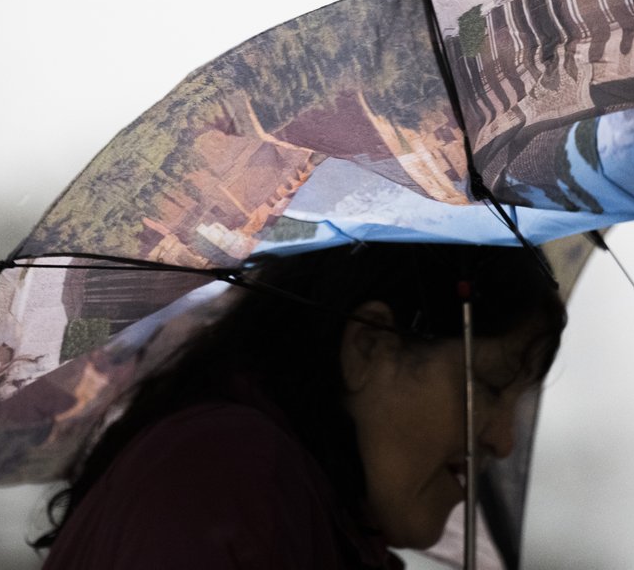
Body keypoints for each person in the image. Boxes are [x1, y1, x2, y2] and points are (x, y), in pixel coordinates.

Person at [37, 241, 566, 568]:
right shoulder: (227, 477)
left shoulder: (302, 507)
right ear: (369, 347)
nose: (504, 440)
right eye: (490, 385)